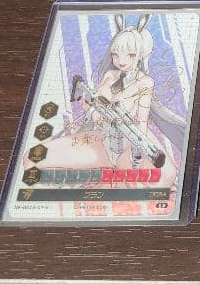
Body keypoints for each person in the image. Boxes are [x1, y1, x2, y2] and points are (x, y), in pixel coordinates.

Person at [41, 14, 187, 188]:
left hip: (130, 135)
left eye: (130, 55)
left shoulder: (145, 82)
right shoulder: (110, 75)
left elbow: (141, 120)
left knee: (163, 176)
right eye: (115, 55)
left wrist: (138, 151)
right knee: (41, 159)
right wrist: (93, 111)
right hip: (104, 136)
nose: (121, 61)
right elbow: (90, 102)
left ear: (139, 54)